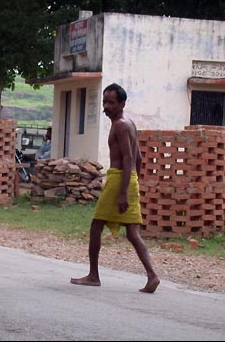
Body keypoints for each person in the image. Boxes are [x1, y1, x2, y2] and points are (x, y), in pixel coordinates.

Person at [70, 83, 160, 293]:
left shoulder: (120, 125)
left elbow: (129, 157)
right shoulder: (129, 124)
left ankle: (93, 275)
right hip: (130, 180)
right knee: (132, 232)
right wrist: (134, 183)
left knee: (96, 225)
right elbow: (138, 158)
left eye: (111, 102)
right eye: (105, 102)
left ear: (122, 104)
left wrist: (122, 191)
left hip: (119, 180)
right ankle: (152, 275)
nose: (107, 106)